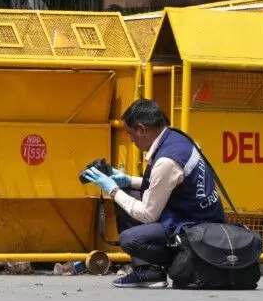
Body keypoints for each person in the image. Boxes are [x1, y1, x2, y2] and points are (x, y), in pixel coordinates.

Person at [83, 99, 226, 288]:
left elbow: (149, 214)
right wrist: (127, 181)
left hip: (193, 229)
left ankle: (168, 264)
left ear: (142, 129)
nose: (130, 139)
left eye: (130, 133)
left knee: (130, 239)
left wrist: (112, 189)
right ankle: (149, 272)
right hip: (201, 217)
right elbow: (168, 185)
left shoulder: (166, 161)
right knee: (129, 193)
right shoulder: (178, 139)